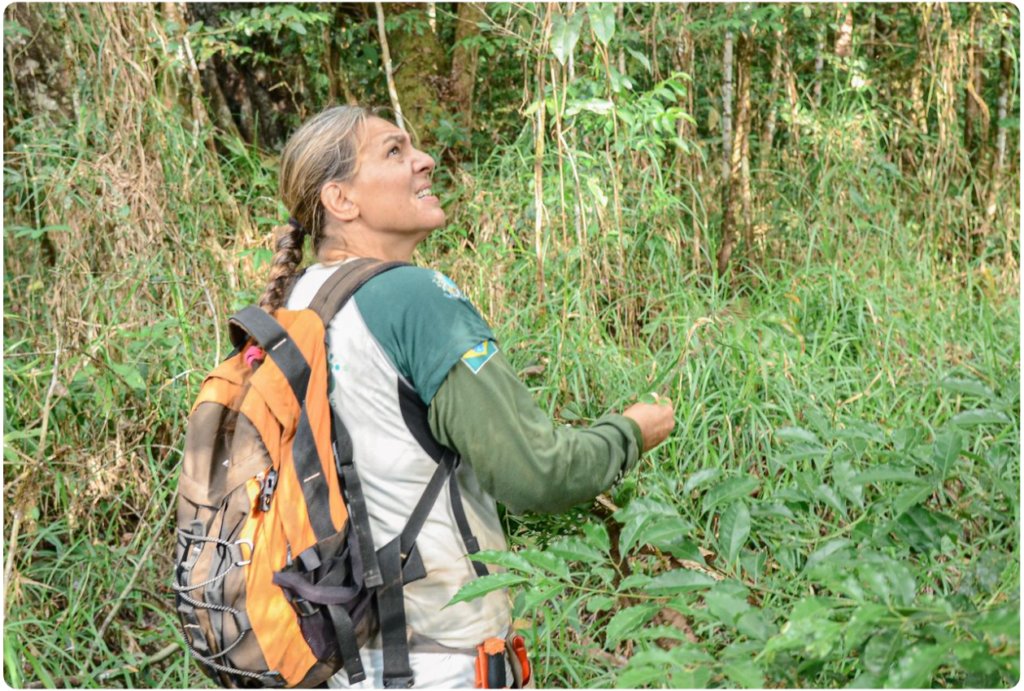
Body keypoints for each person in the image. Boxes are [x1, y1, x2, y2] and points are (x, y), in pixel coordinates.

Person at [258, 105, 675, 691]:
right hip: (442, 664)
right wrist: (631, 432)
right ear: (340, 200)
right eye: (394, 152)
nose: (425, 159)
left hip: (349, 662)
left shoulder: (301, 302)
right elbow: (537, 474)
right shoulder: (411, 298)